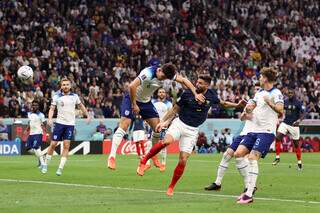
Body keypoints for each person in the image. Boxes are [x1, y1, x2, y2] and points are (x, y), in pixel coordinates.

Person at [136, 75, 245, 196]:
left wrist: (237, 105)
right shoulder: (188, 93)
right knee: (166, 142)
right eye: (197, 82)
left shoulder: (211, 95)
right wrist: (164, 122)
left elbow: (223, 103)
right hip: (180, 123)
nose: (197, 84)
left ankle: (171, 187)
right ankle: (144, 161)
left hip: (192, 131)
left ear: (207, 85)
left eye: (200, 83)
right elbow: (175, 109)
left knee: (183, 160)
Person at [107, 63, 205, 170]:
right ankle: (112, 157)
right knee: (124, 125)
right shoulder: (148, 73)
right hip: (131, 99)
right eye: (163, 77)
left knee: (158, 128)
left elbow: (184, 81)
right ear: (159, 70)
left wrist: (195, 94)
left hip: (146, 102)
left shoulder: (167, 74)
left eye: (165, 78)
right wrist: (134, 104)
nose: (163, 80)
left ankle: (153, 155)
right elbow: (132, 86)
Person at [234, 67, 284, 204]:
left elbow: (280, 110)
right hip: (253, 131)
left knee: (252, 157)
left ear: (266, 78)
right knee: (238, 154)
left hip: (266, 131)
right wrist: (248, 109)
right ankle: (249, 186)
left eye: (261, 77)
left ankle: (249, 194)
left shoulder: (276, 93)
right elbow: (251, 105)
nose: (259, 79)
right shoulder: (259, 93)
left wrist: (270, 103)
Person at [204, 82, 260, 192]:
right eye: (255, 89)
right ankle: (218, 183)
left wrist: (250, 113)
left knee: (244, 158)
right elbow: (242, 118)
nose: (256, 91)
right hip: (244, 133)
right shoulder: (250, 102)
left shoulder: (263, 104)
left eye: (259, 89)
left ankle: (249, 186)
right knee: (226, 155)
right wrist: (245, 111)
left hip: (253, 133)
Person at [42, 78, 90, 176]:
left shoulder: (75, 96)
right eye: (63, 84)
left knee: (66, 145)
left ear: (70, 86)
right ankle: (45, 164)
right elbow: (52, 109)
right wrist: (50, 119)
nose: (65, 86)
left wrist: (88, 115)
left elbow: (81, 106)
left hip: (70, 125)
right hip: (59, 123)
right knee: (53, 144)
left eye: (67, 84)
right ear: (61, 86)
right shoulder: (56, 96)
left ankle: (60, 168)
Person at [272, 88, 305, 170]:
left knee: (296, 145)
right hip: (285, 123)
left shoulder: (298, 102)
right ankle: (277, 157)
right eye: (289, 93)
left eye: (291, 93)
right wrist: (277, 115)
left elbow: (304, 112)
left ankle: (299, 163)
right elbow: (281, 110)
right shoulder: (285, 101)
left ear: (294, 94)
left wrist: (299, 120)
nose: (290, 94)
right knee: (278, 137)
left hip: (294, 125)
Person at [152, 88, 173, 172]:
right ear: (157, 93)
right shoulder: (153, 102)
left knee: (163, 144)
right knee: (152, 144)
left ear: (165, 94)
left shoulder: (169, 104)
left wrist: (167, 123)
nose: (161, 93)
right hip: (153, 125)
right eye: (160, 92)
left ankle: (163, 163)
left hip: (163, 127)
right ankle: (150, 162)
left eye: (163, 92)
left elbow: (171, 115)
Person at [24, 101, 46, 171]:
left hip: (38, 133)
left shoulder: (41, 115)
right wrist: (26, 130)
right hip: (31, 134)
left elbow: (44, 123)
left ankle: (43, 164)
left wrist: (44, 128)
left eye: (36, 105)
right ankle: (41, 155)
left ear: (38, 106)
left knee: (36, 147)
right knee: (28, 149)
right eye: (33, 105)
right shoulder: (29, 114)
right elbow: (30, 123)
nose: (34, 106)